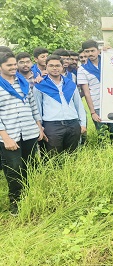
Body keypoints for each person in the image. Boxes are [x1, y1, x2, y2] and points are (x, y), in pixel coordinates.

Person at [0, 52, 44, 214]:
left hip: (29, 133)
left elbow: (33, 106)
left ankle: (30, 197)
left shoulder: (23, 82)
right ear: (0, 67)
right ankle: (16, 202)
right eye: (8, 65)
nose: (13, 68)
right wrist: (5, 138)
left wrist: (39, 127)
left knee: (30, 166)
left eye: (14, 64)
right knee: (14, 169)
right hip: (9, 136)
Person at [33, 55, 86, 155]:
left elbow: (79, 105)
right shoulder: (40, 86)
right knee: (52, 157)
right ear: (46, 67)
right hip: (52, 126)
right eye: (51, 65)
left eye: (57, 65)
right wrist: (39, 127)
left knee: (72, 155)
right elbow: (37, 109)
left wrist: (82, 123)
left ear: (62, 67)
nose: (54, 68)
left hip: (72, 123)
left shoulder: (71, 84)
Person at [77, 40, 113, 142]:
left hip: (112, 102)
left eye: (92, 50)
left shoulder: (108, 62)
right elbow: (87, 92)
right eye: (87, 51)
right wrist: (92, 112)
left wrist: (112, 51)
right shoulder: (82, 69)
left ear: (98, 50)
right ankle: (105, 154)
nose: (90, 54)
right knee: (102, 133)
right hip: (97, 105)